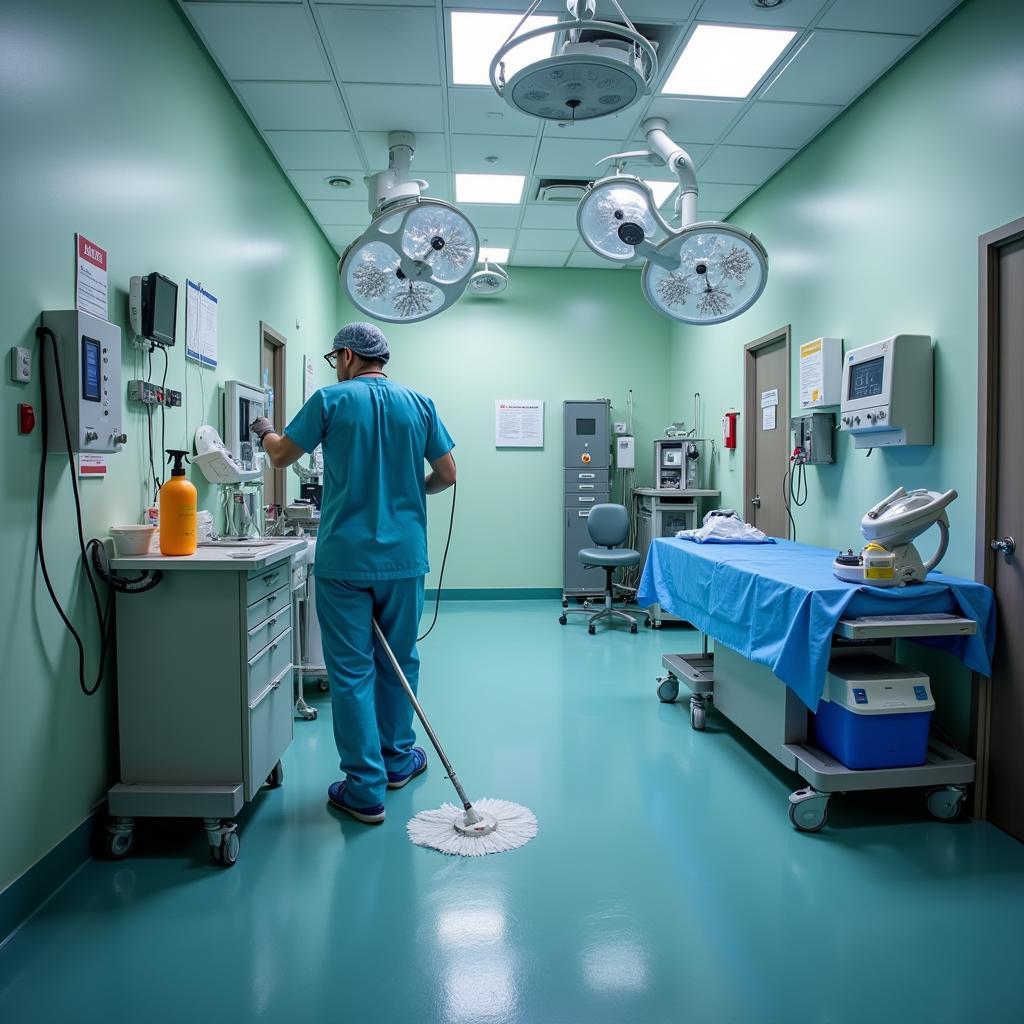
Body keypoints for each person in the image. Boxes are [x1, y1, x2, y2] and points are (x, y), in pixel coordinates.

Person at [251, 322, 456, 825]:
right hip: (404, 558)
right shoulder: (420, 403)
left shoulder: (330, 400)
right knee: (400, 659)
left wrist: (263, 430)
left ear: (345, 356)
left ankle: (363, 789)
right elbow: (448, 474)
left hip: (345, 560)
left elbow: (280, 455)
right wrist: (409, 492)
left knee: (351, 669)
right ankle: (397, 761)